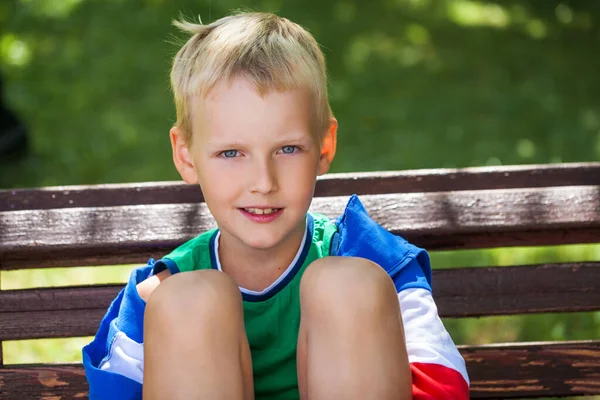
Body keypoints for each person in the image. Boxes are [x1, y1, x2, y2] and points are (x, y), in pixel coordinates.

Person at [83, 11, 469, 400]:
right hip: (183, 305)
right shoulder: (160, 289)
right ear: (186, 156)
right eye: (232, 152)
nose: (263, 182)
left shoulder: (373, 258)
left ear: (325, 145)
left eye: (287, 149)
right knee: (187, 301)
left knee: (349, 284)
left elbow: (442, 382)